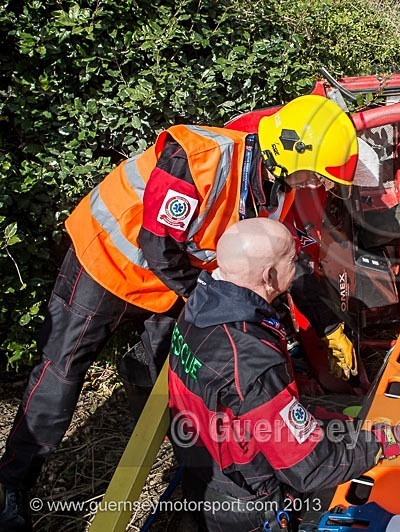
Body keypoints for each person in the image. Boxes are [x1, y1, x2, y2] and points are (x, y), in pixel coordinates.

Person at [0, 94, 361, 531]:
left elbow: (286, 262)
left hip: (172, 279)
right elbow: (156, 245)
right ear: (288, 152)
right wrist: (205, 297)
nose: (314, 186)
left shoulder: (276, 190)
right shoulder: (200, 158)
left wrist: (329, 325)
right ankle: (11, 484)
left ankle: (165, 445)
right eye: (313, 175)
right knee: (61, 371)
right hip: (109, 261)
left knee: (169, 368)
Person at [167, 218, 400, 530]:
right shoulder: (251, 356)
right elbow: (310, 467)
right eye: (292, 260)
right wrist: (381, 443)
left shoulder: (201, 306)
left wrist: (292, 401)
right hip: (248, 503)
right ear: (269, 275)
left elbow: (229, 394)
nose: (299, 265)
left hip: (205, 471)